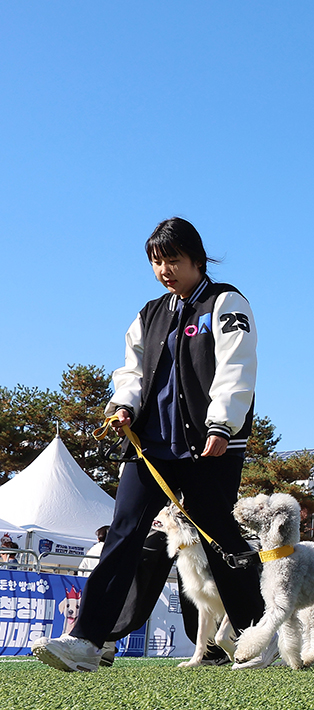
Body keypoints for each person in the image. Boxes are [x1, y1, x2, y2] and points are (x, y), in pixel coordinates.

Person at [34, 217, 267, 673]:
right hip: (149, 446)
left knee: (219, 534)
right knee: (124, 535)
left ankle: (257, 636)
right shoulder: (149, 313)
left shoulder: (227, 303)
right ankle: (89, 639)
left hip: (207, 445)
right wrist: (123, 405)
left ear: (197, 259)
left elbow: (237, 367)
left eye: (173, 260)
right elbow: (132, 372)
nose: (165, 269)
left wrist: (221, 425)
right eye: (157, 261)